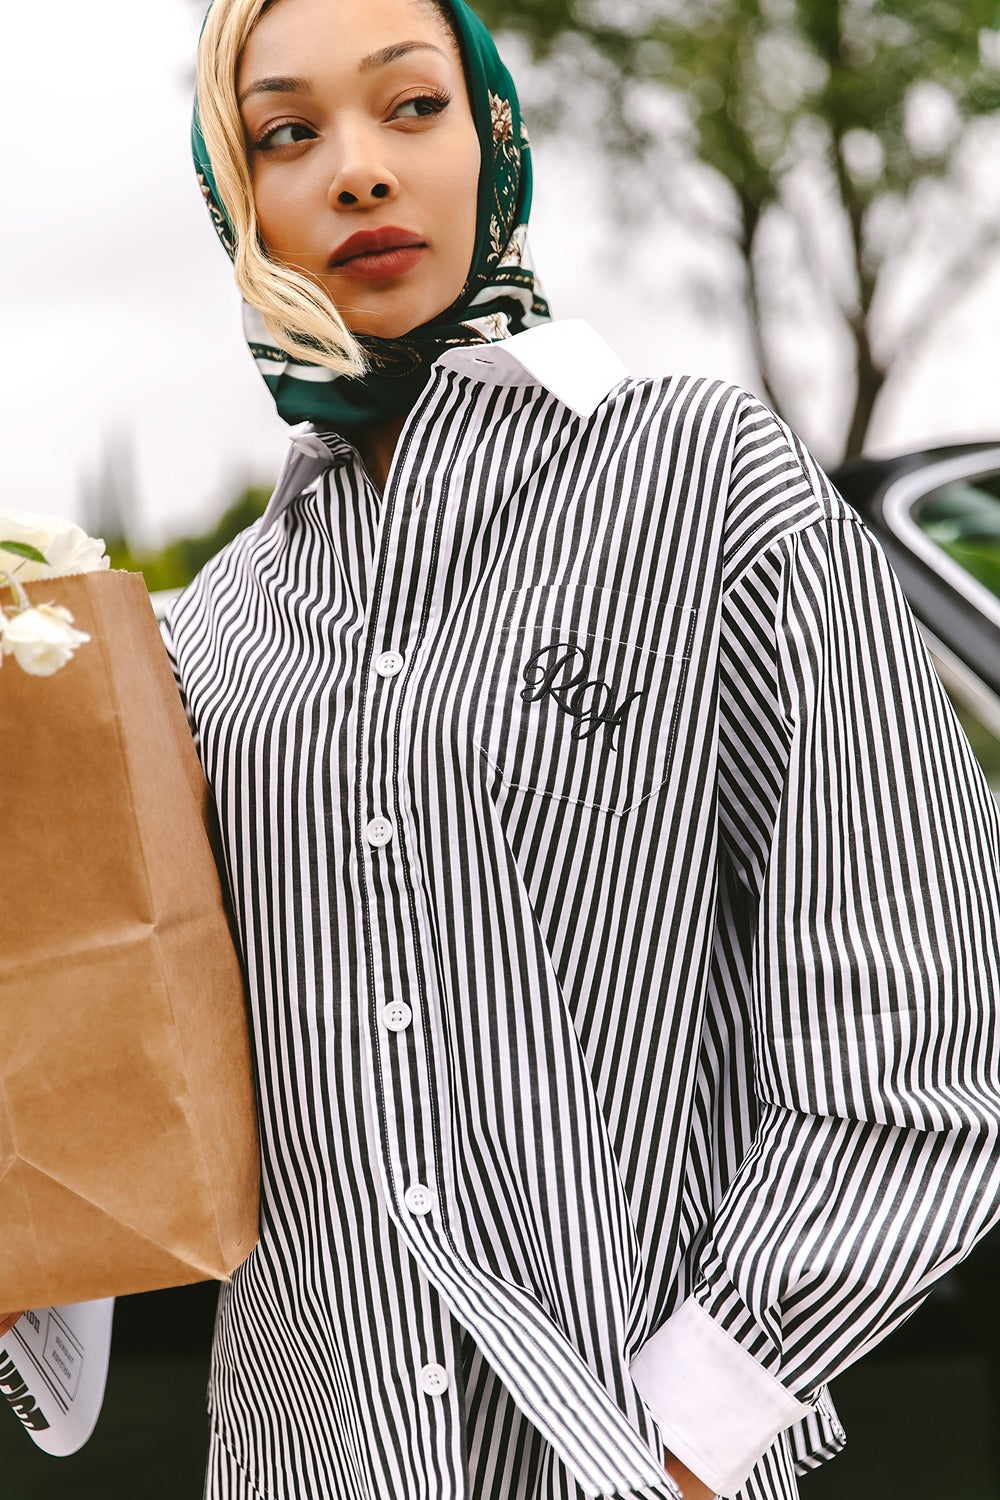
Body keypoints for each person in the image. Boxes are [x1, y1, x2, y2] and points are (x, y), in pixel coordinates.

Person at [160, 0, 1000, 1495]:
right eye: (289, 133)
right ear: (238, 198)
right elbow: (148, 1078)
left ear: (491, 137)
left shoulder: (702, 475)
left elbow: (916, 1004)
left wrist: (692, 1427)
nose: (358, 171)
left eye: (410, 109)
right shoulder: (215, 629)